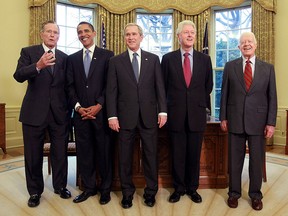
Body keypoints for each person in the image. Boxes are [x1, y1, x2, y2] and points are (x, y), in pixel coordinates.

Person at [106, 23, 167, 208]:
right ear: (124, 38)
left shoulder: (153, 59)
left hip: (149, 116)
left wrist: (162, 111)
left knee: (150, 155)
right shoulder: (116, 61)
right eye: (127, 35)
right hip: (124, 118)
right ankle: (127, 193)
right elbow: (111, 91)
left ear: (141, 37)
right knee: (124, 157)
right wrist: (112, 116)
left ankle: (150, 192)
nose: (131, 37)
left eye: (134, 34)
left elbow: (160, 88)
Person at [13, 20, 71, 207]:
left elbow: (68, 86)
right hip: (33, 113)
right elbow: (18, 76)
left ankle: (60, 186)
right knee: (33, 155)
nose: (53, 35)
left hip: (59, 114)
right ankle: (35, 192)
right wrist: (37, 66)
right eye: (49, 31)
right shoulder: (28, 52)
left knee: (60, 153)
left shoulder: (64, 57)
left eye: (56, 32)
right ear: (42, 34)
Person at [220, 32, 277, 211]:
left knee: (256, 162)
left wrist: (271, 123)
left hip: (259, 123)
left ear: (256, 44)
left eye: (249, 41)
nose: (246, 44)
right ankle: (234, 194)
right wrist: (223, 117)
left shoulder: (268, 68)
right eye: (243, 42)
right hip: (235, 120)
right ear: (238, 47)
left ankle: (255, 195)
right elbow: (225, 94)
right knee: (234, 161)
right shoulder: (230, 67)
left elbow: (272, 97)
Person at [161, 20, 213, 204]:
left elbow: (208, 86)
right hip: (175, 115)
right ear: (178, 36)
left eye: (192, 32)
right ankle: (178, 188)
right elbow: (163, 87)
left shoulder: (205, 59)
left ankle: (192, 188)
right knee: (177, 155)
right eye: (186, 32)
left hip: (196, 116)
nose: (190, 35)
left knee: (193, 155)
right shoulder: (167, 59)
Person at [66, 21, 114, 205]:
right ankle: (89, 188)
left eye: (86, 31)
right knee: (85, 154)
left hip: (101, 114)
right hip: (80, 115)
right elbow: (69, 87)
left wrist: (99, 105)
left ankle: (105, 190)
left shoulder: (107, 56)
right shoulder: (72, 59)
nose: (83, 34)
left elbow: (110, 85)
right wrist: (78, 107)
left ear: (94, 33)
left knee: (103, 153)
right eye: (79, 32)